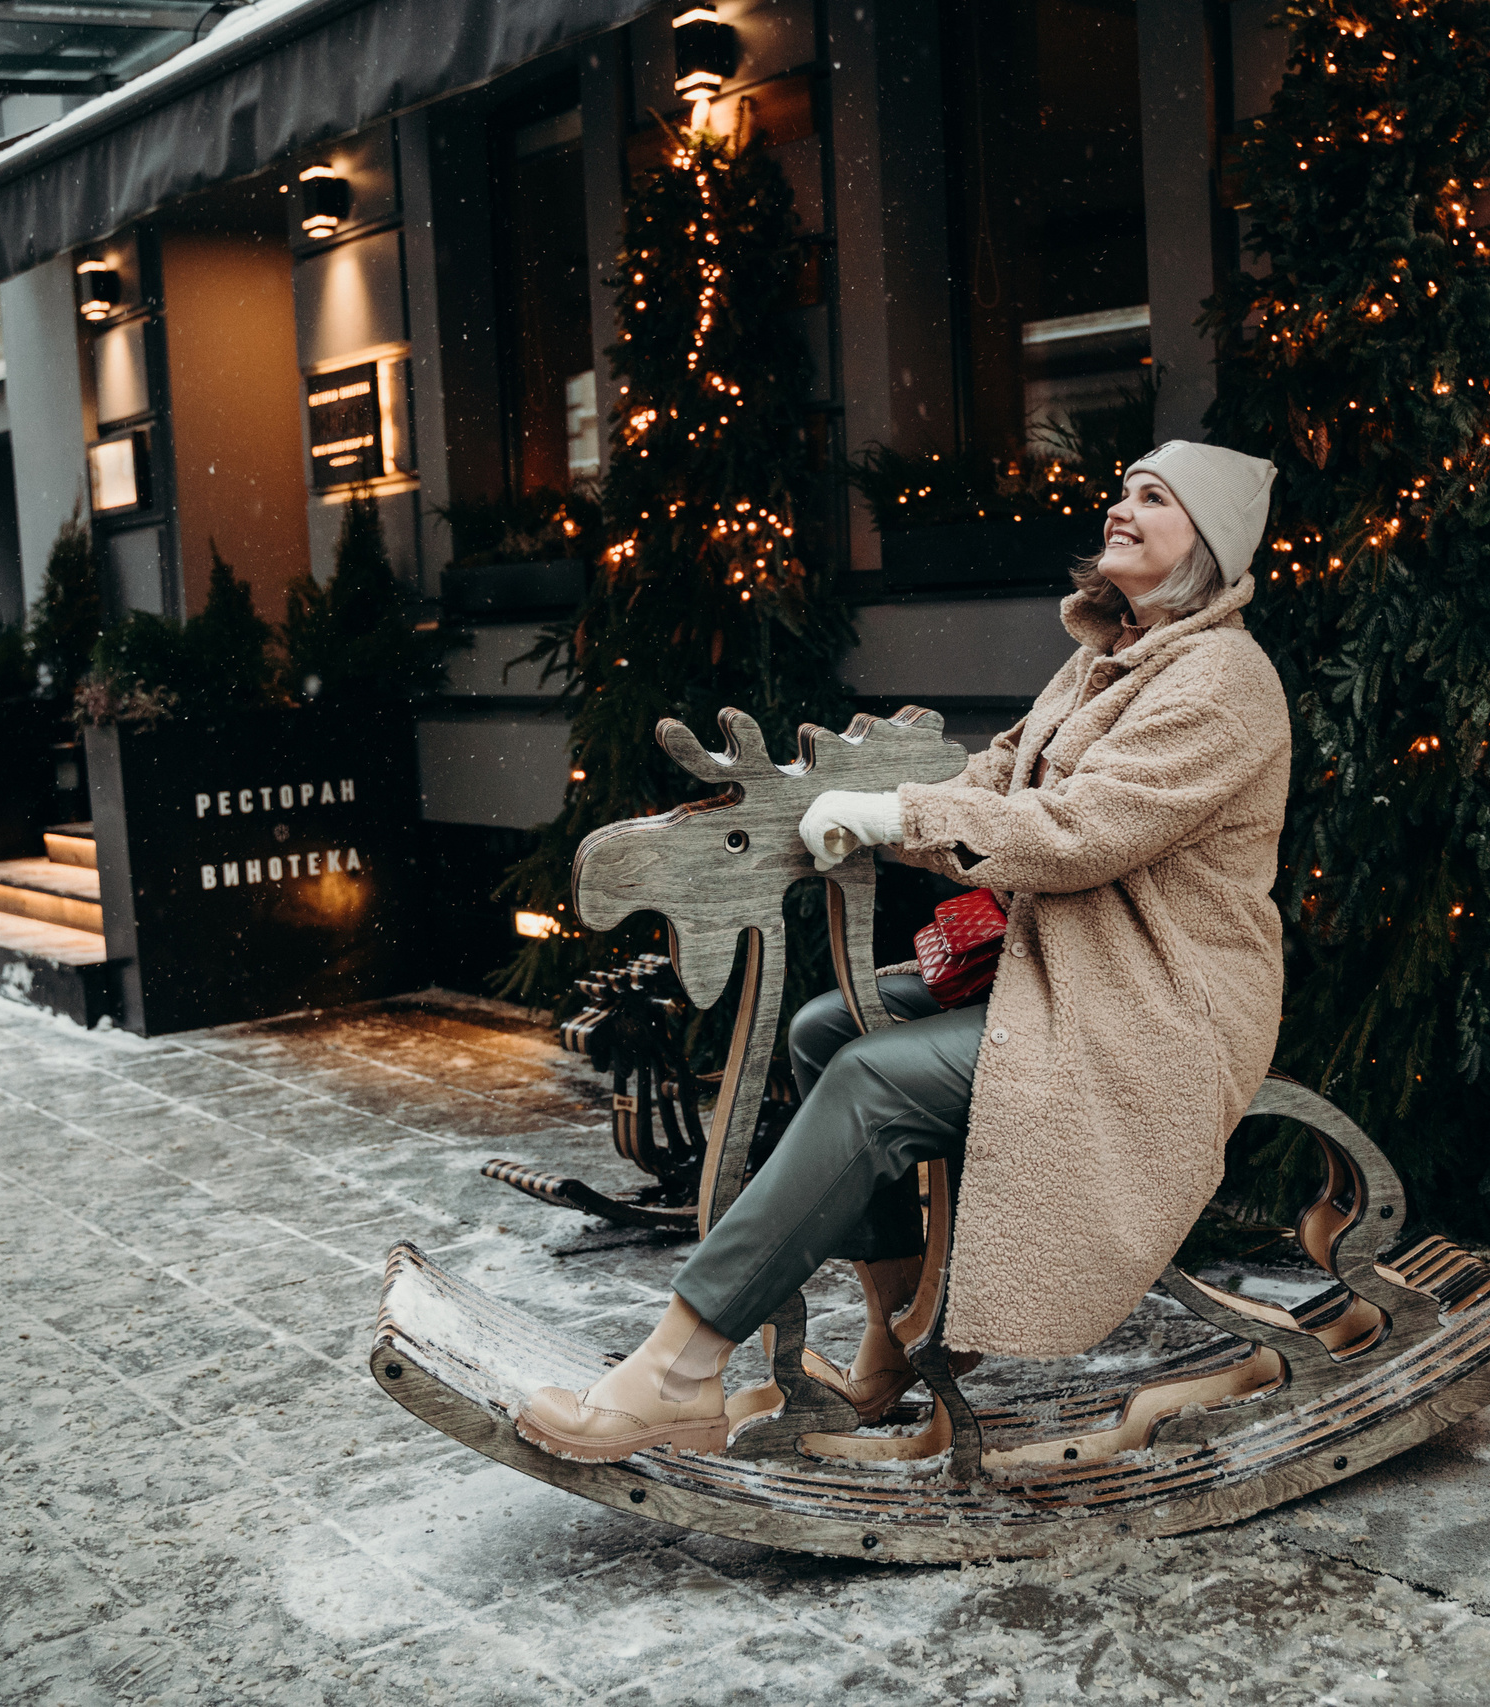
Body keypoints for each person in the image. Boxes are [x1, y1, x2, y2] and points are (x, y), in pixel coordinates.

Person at [513, 441, 1292, 1462]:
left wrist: (890, 816)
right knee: (824, 1027)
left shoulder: (1221, 681)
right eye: (1122, 487)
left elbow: (1074, 833)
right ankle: (892, 1344)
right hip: (1069, 971)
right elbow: (997, 777)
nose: (1121, 507)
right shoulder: (1104, 659)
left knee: (873, 1081)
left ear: (1210, 541)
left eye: (1154, 498)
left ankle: (677, 1371)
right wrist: (884, 810)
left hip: (1154, 1007)